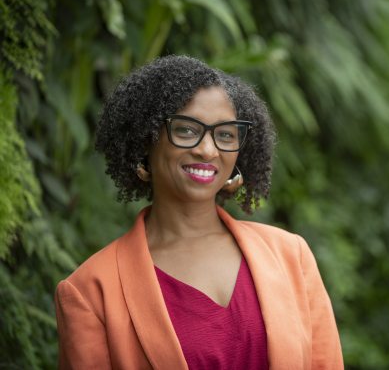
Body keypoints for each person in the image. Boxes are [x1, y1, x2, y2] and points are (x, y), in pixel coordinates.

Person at [54, 55, 343, 369]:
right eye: (187, 130)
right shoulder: (89, 291)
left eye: (226, 134)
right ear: (145, 139)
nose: (208, 150)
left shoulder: (291, 256)